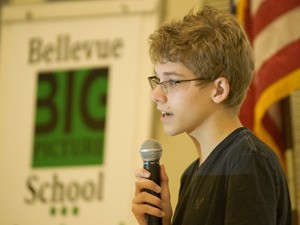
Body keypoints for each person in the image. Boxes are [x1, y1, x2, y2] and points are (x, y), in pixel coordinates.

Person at [131, 5, 292, 225]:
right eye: (158, 81)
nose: (156, 95)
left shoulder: (247, 160)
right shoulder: (191, 175)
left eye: (173, 81)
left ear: (218, 90)